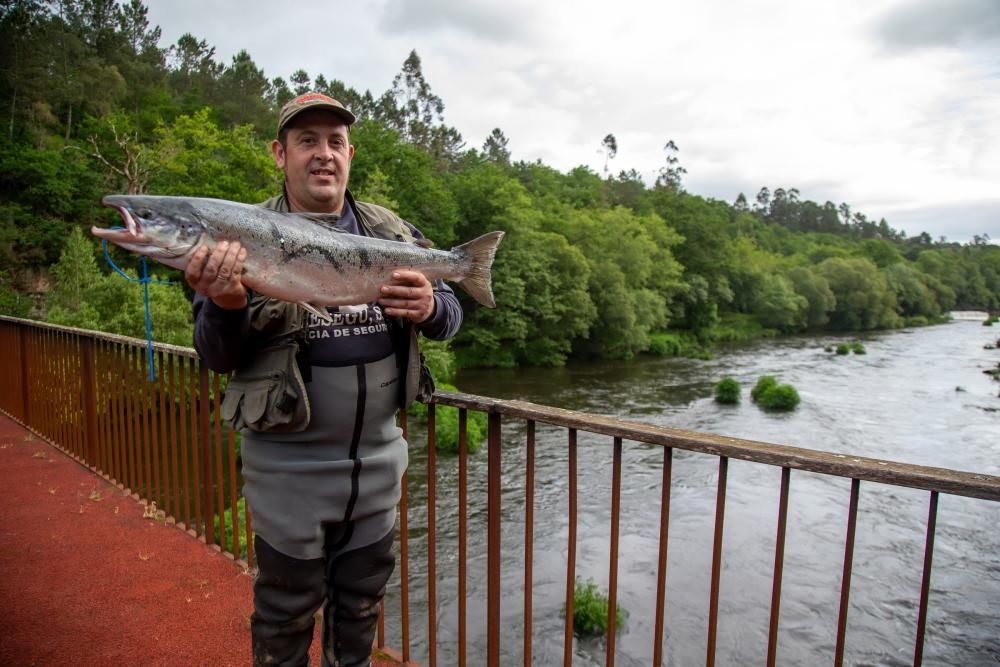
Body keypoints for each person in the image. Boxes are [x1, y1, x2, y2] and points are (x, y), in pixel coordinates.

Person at [185, 92, 463, 667]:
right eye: (307, 141)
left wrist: (431, 307)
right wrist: (226, 302)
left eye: (335, 142)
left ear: (351, 154)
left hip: (379, 470)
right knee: (285, 617)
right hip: (289, 475)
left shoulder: (390, 230)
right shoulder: (237, 236)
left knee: (360, 615)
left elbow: (452, 316)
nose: (323, 154)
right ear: (279, 153)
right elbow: (215, 355)